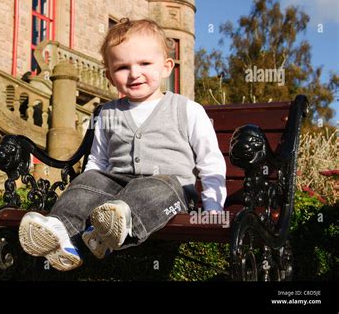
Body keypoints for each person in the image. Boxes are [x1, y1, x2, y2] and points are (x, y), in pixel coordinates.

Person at [18, 18, 226, 271]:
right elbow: (98, 161)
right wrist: (88, 187)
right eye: (123, 67)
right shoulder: (106, 113)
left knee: (156, 188)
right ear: (109, 75)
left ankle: (111, 227)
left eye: (145, 63)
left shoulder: (187, 110)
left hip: (172, 192)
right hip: (115, 191)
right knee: (90, 180)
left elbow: (210, 161)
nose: (135, 73)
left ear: (166, 67)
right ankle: (62, 232)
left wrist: (213, 206)